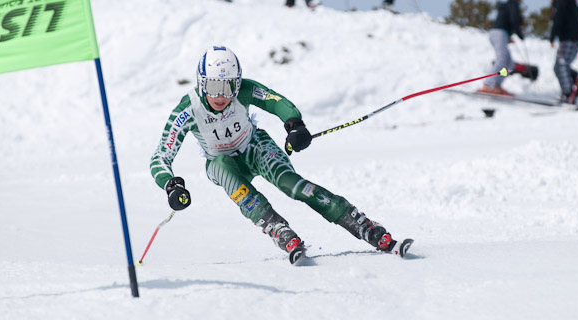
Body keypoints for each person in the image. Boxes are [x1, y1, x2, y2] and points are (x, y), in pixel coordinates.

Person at [150, 46, 412, 263]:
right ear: (201, 83)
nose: (220, 95)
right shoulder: (188, 110)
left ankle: (360, 223)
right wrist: (171, 185)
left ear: (237, 84)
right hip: (223, 162)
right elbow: (161, 156)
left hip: (255, 147)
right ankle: (276, 227)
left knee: (292, 185)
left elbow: (276, 101)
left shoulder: (245, 90)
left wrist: (294, 125)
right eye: (213, 86)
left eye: (228, 87)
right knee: (224, 170)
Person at [479, 0, 525, 96]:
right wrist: (519, 34)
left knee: (509, 64)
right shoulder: (513, 5)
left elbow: (506, 20)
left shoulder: (507, 6)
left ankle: (496, 84)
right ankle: (488, 84)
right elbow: (514, 20)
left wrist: (508, 36)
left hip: (500, 33)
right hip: (499, 33)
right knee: (502, 59)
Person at [545, 0, 578, 103]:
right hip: (575, 39)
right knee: (559, 66)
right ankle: (577, 82)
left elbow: (558, 20)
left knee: (562, 65)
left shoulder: (561, 2)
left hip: (569, 39)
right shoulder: (572, 3)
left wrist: (552, 38)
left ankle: (567, 94)